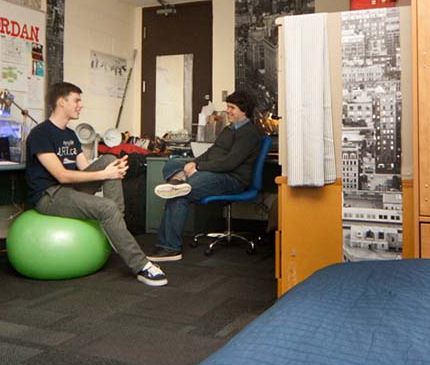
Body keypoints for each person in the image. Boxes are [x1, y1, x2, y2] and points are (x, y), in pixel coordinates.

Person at [25, 82, 167, 287]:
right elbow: (62, 176)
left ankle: (116, 225)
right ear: (61, 102)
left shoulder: (70, 134)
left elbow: (84, 170)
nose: (80, 105)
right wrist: (104, 173)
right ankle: (141, 266)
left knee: (110, 159)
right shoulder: (41, 133)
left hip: (69, 190)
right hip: (49, 195)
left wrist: (112, 169)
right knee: (107, 206)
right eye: (76, 100)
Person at [148, 91, 261, 262]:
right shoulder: (229, 129)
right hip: (213, 173)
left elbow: (230, 163)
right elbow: (211, 152)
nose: (228, 111)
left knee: (180, 194)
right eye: (227, 107)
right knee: (172, 164)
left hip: (232, 179)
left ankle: (170, 248)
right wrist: (193, 163)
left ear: (244, 110)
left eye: (232, 108)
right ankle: (179, 182)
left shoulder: (249, 133)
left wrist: (199, 167)